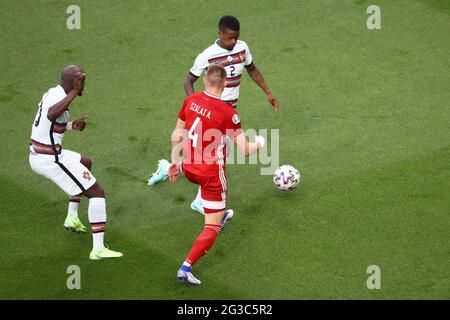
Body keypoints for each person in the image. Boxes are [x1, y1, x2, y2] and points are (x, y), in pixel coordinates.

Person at [148, 15, 277, 214]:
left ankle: (167, 168)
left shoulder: (243, 48)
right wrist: (197, 104)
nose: (233, 42)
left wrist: (268, 92)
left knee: (208, 155)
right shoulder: (207, 55)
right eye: (228, 38)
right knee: (215, 156)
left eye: (236, 37)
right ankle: (201, 200)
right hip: (212, 113)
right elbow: (188, 81)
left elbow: (252, 70)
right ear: (220, 34)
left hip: (227, 111)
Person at [168, 65, 264, 285]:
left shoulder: (190, 101)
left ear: (204, 80)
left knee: (215, 205)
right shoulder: (228, 113)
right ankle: (186, 266)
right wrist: (260, 142)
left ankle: (220, 213)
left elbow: (177, 133)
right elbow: (245, 150)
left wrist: (175, 160)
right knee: (211, 227)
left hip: (189, 168)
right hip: (210, 176)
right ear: (227, 83)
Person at [29, 65, 123, 260]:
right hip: (50, 159)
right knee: (97, 192)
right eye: (82, 81)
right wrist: (75, 90)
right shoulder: (59, 98)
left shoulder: (54, 92)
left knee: (85, 162)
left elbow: (50, 123)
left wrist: (71, 126)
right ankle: (98, 249)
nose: (84, 85)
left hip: (44, 153)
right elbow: (51, 114)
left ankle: (72, 217)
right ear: (75, 80)